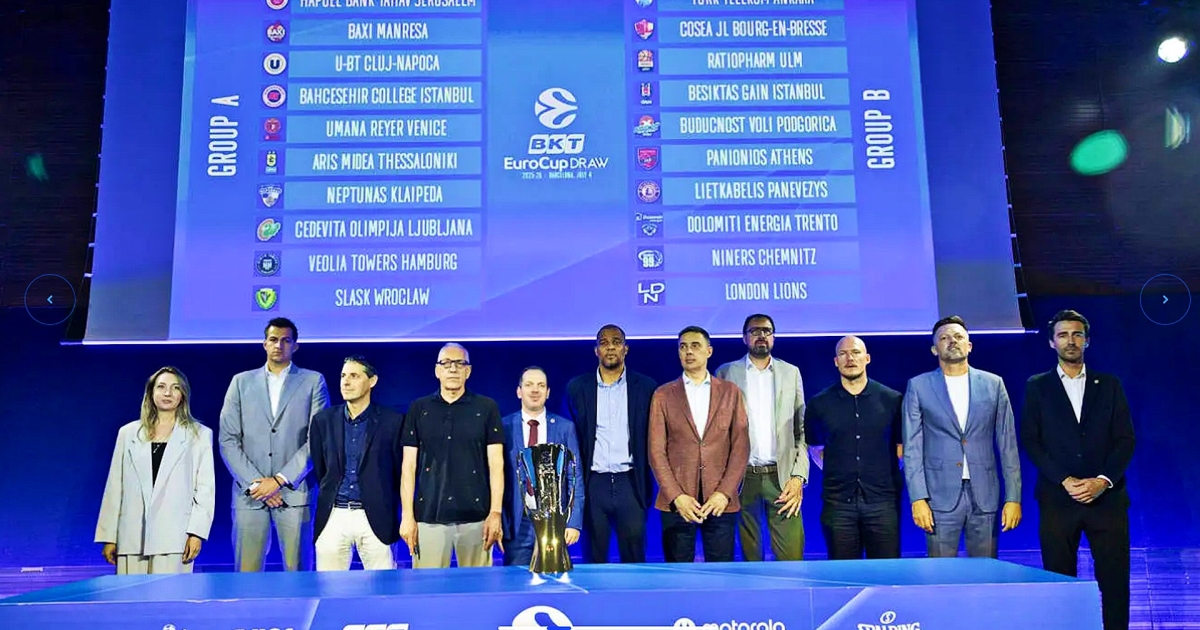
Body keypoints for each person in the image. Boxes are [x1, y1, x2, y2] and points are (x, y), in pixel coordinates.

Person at [1021, 310, 1135, 630]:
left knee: (1114, 583)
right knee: (1060, 585)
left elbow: (1125, 440)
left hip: (1107, 502)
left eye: (1077, 334)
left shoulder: (1109, 385)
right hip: (1058, 500)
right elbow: (1031, 440)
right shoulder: (1037, 386)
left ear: (1087, 340)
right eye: (1063, 335)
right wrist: (1064, 479)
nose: (1070, 341)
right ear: (1051, 342)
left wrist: (1102, 481)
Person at [903, 316, 1022, 558]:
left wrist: (1013, 498)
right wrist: (918, 498)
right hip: (938, 496)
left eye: (958, 337)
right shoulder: (919, 386)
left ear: (969, 345)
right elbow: (912, 448)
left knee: (986, 571)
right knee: (940, 573)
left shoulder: (994, 384)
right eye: (944, 338)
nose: (952, 341)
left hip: (985, 494)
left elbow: (1008, 445)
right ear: (934, 349)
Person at [218, 317, 330, 572]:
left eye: (285, 340)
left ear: (295, 346)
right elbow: (228, 439)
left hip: (294, 493)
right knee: (246, 577)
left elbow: (317, 438)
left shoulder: (313, 381)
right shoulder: (240, 382)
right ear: (264, 344)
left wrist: (279, 480)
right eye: (273, 339)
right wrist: (258, 485)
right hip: (250, 494)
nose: (279, 345)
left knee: (298, 575)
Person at [95, 367, 215, 574]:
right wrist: (109, 537)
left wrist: (197, 533)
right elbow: (115, 487)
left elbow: (205, 489)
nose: (168, 393)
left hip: (175, 536)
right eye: (161, 387)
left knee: (171, 593)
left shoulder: (199, 435)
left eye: (175, 388)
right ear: (151, 392)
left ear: (183, 394)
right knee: (131, 593)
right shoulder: (128, 433)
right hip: (132, 536)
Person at [649, 326, 750, 563]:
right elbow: (656, 451)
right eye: (683, 347)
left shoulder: (730, 392)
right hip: (678, 503)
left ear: (709, 351)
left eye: (695, 346)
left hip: (720, 502)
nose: (688, 352)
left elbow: (740, 447)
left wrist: (724, 493)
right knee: (678, 574)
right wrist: (676, 496)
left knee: (721, 574)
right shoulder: (663, 394)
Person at [400, 343, 505, 569]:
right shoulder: (419, 408)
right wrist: (407, 516)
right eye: (446, 363)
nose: (453, 369)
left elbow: (497, 464)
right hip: (429, 516)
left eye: (459, 363)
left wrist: (495, 513)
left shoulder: (486, 408)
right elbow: (408, 467)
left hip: (477, 518)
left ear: (469, 371)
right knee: (427, 587)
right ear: (437, 370)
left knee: (478, 586)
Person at [714, 314, 807, 562]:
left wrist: (798, 477)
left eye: (766, 331)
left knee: (792, 558)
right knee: (749, 559)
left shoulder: (791, 373)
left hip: (782, 477)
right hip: (742, 478)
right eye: (754, 331)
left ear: (773, 337)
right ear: (744, 338)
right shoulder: (726, 372)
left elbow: (801, 430)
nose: (761, 335)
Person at [564, 324, 657, 564]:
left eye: (616, 342)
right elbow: (570, 437)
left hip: (631, 482)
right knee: (594, 558)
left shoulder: (646, 387)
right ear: (596, 350)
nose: (610, 347)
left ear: (626, 348)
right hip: (594, 483)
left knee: (635, 558)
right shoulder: (577, 388)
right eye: (604, 343)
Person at [805, 336, 904, 559]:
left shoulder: (892, 400)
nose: (850, 358)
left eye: (856, 352)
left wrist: (877, 474)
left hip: (882, 503)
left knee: (887, 571)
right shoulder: (819, 403)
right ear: (835, 361)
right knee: (842, 572)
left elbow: (902, 448)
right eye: (843, 354)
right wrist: (842, 471)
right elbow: (815, 448)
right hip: (838, 504)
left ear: (867, 358)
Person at [309, 356, 405, 571]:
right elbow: (321, 468)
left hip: (376, 516)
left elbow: (398, 471)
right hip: (334, 514)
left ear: (372, 381)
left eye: (354, 376)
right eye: (343, 376)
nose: (346, 382)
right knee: (330, 585)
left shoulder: (393, 422)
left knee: (383, 585)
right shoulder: (323, 421)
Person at [501, 366, 585, 566]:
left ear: (547, 392)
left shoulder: (564, 428)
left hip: (554, 520)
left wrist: (574, 523)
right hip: (517, 523)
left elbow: (575, 477)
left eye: (541, 385)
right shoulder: (504, 426)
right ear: (519, 391)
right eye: (529, 385)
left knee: (553, 577)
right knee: (516, 579)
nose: (535, 390)